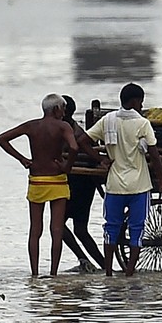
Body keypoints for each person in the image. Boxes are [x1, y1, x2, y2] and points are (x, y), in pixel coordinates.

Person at [79, 82, 162, 277]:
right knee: (136, 230)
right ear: (135, 101)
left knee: (111, 228)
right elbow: (154, 155)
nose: (142, 106)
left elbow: (83, 142)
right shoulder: (142, 123)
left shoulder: (107, 120)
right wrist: (161, 182)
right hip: (139, 186)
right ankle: (129, 273)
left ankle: (109, 273)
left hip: (115, 185)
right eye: (141, 102)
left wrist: (100, 159)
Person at [0, 94, 86, 278]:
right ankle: (53, 273)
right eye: (63, 108)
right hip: (57, 179)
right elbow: (75, 147)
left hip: (36, 179)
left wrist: (22, 159)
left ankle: (35, 273)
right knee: (56, 229)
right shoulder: (63, 126)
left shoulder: (31, 125)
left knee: (35, 229)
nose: (64, 112)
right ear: (56, 109)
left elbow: (1, 139)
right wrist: (67, 166)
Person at [60, 95, 105, 273]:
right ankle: (102, 265)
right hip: (84, 182)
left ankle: (86, 260)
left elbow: (71, 150)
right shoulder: (71, 128)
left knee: (58, 225)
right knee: (79, 229)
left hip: (78, 182)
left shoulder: (70, 131)